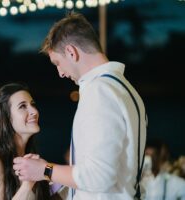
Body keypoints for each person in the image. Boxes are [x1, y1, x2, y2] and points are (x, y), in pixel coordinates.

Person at [13, 12, 147, 200]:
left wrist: (45, 170)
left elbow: (101, 176)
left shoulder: (99, 92)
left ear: (71, 52)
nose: (60, 73)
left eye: (57, 63)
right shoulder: (124, 89)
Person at [0, 83, 51, 200]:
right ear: (5, 117)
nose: (34, 111)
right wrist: (27, 186)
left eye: (32, 104)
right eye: (22, 106)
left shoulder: (30, 158)